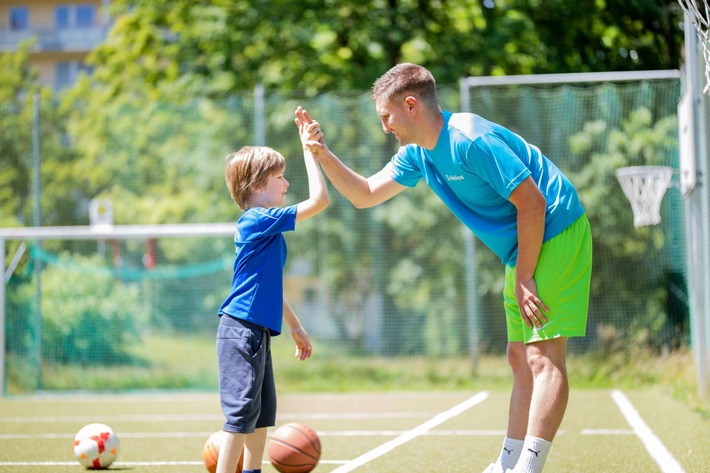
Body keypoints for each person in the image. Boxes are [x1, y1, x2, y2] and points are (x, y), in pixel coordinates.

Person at [296, 63, 592, 473]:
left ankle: (528, 467)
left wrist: (525, 276)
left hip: (556, 229)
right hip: (520, 247)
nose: (384, 127)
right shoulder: (418, 154)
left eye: (386, 116)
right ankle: (508, 463)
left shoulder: (470, 139)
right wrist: (321, 153)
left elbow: (533, 202)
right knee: (518, 358)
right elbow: (364, 194)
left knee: (543, 357)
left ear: (411, 105)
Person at [215, 112, 329, 473]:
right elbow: (320, 200)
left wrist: (295, 326)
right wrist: (311, 151)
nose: (286, 183)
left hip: (257, 332)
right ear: (255, 187)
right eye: (279, 178)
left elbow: (271, 287)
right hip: (240, 331)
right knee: (241, 415)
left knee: (261, 415)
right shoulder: (257, 220)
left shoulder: (269, 229)